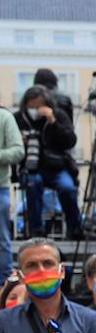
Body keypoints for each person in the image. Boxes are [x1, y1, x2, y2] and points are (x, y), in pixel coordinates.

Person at [17, 85, 82, 240]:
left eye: (39, 105)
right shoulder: (19, 118)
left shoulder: (59, 116)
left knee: (67, 188)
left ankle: (75, 227)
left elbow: (70, 141)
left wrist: (53, 121)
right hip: (32, 167)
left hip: (58, 166)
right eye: (31, 106)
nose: (35, 109)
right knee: (33, 185)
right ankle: (36, 229)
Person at [0, 104, 24, 279]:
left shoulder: (5, 117)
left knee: (2, 239)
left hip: (0, 187)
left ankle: (5, 285)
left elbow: (18, 151)